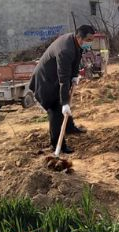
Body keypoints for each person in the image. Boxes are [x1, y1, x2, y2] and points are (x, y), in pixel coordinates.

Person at [28, 25, 96, 154]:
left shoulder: (76, 42)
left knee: (63, 104)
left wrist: (75, 75)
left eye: (91, 40)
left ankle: (69, 128)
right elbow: (63, 79)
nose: (89, 43)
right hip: (46, 81)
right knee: (56, 110)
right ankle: (57, 144)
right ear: (79, 37)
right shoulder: (65, 49)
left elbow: (76, 60)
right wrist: (64, 103)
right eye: (88, 40)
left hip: (56, 77)